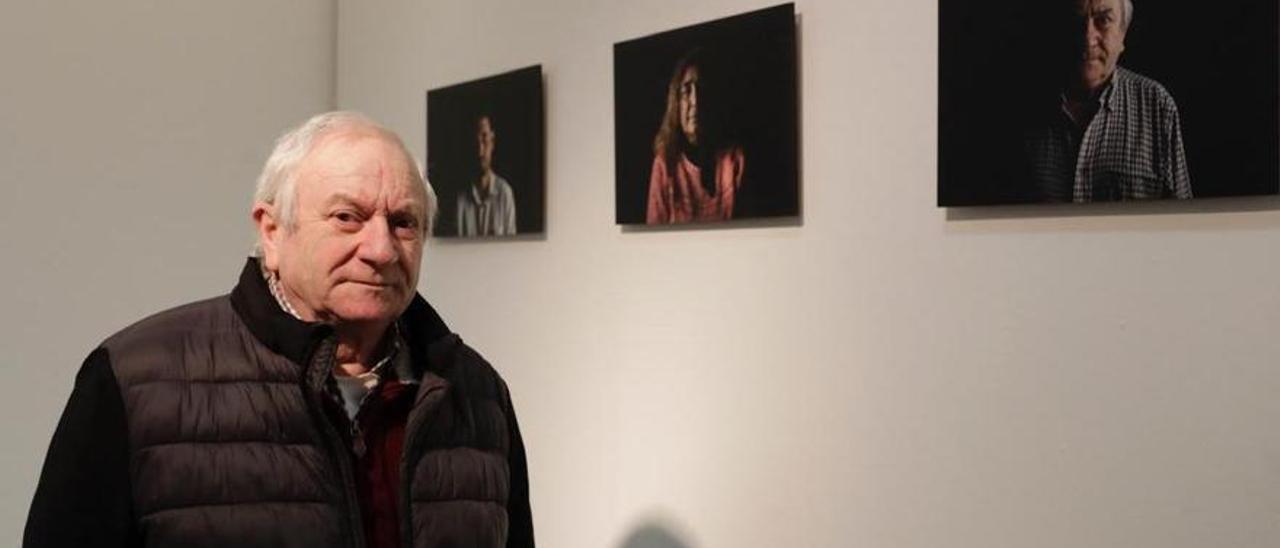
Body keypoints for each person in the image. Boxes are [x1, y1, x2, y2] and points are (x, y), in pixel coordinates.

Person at [24, 111, 534, 548]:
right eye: (346, 217)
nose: (380, 249)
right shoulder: (132, 382)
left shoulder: (476, 393)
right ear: (271, 231)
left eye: (404, 222)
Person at [1024, 0, 1192, 202]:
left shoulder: (1157, 106)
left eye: (1103, 21)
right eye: (1077, 20)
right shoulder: (1024, 106)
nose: (1088, 38)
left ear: (1123, 34)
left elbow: (1182, 221)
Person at [646, 50, 745, 224]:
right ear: (676, 103)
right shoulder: (665, 165)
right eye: (686, 91)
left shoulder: (735, 160)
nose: (696, 101)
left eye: (702, 89)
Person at [456, 114, 517, 236]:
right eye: (475, 141)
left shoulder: (505, 193)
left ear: (492, 141)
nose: (480, 151)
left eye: (484, 139)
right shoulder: (459, 197)